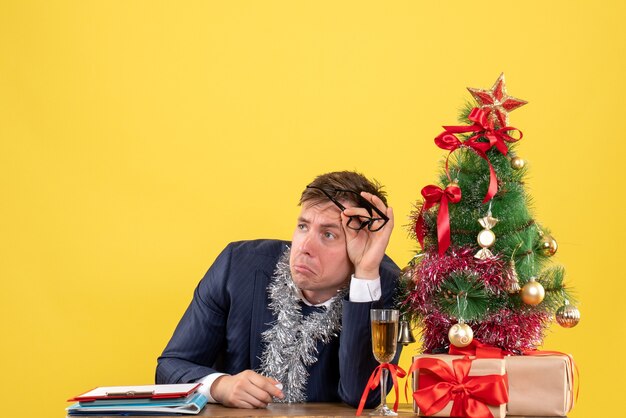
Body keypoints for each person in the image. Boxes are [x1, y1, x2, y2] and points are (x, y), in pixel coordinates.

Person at [156, 171, 401, 409]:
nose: (305, 247)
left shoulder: (385, 286)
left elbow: (363, 397)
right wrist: (220, 386)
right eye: (303, 227)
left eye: (328, 234)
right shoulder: (238, 265)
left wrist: (365, 272)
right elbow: (170, 367)